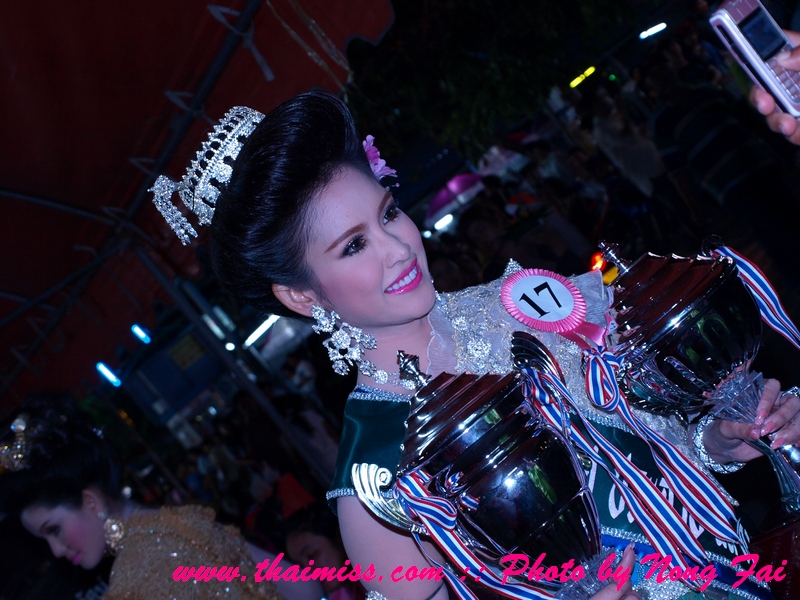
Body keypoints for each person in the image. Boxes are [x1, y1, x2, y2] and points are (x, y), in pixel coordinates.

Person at [150, 91, 800, 599]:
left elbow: (660, 438)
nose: (398, 247)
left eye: (388, 213)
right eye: (353, 246)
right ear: (300, 296)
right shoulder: (374, 478)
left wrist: (725, 438)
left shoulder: (525, 302)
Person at [0, 394, 324, 600]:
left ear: (91, 502)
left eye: (54, 530)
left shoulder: (133, 582)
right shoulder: (187, 521)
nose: (56, 550)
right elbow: (306, 588)